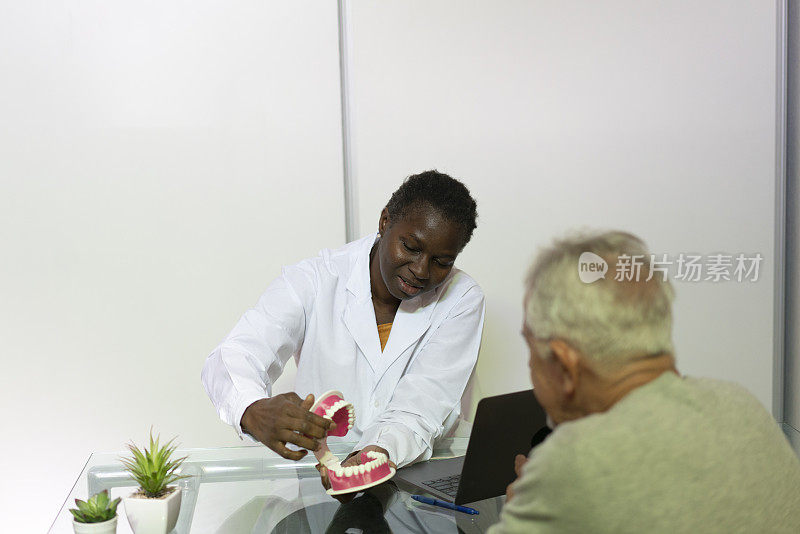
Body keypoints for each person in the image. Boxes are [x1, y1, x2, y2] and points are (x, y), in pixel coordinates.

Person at [489, 230, 800, 533]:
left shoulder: (573, 464)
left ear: (563, 363)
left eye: (531, 351)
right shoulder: (740, 404)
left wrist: (527, 504)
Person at [202, 170, 485, 474]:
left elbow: (423, 406)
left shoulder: (462, 299)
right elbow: (235, 355)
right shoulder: (313, 280)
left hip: (421, 482)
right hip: (318, 484)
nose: (421, 270)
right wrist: (251, 409)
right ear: (385, 221)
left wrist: (371, 459)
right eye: (410, 247)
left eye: (442, 262)